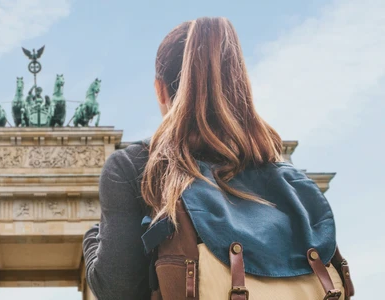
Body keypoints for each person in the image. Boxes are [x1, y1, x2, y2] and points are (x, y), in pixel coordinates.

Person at [82, 17, 350, 300]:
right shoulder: (286, 179)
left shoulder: (136, 166)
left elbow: (118, 290)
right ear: (239, 83)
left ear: (160, 89)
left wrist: (92, 239)